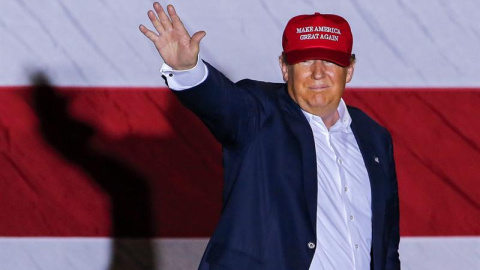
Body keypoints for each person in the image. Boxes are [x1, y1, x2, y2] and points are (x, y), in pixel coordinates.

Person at [140, 3, 400, 270]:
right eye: (305, 60)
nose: (318, 72)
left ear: (350, 69)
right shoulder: (259, 114)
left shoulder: (374, 137)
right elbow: (221, 103)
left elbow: (386, 246)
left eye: (331, 60)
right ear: (285, 68)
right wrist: (188, 69)